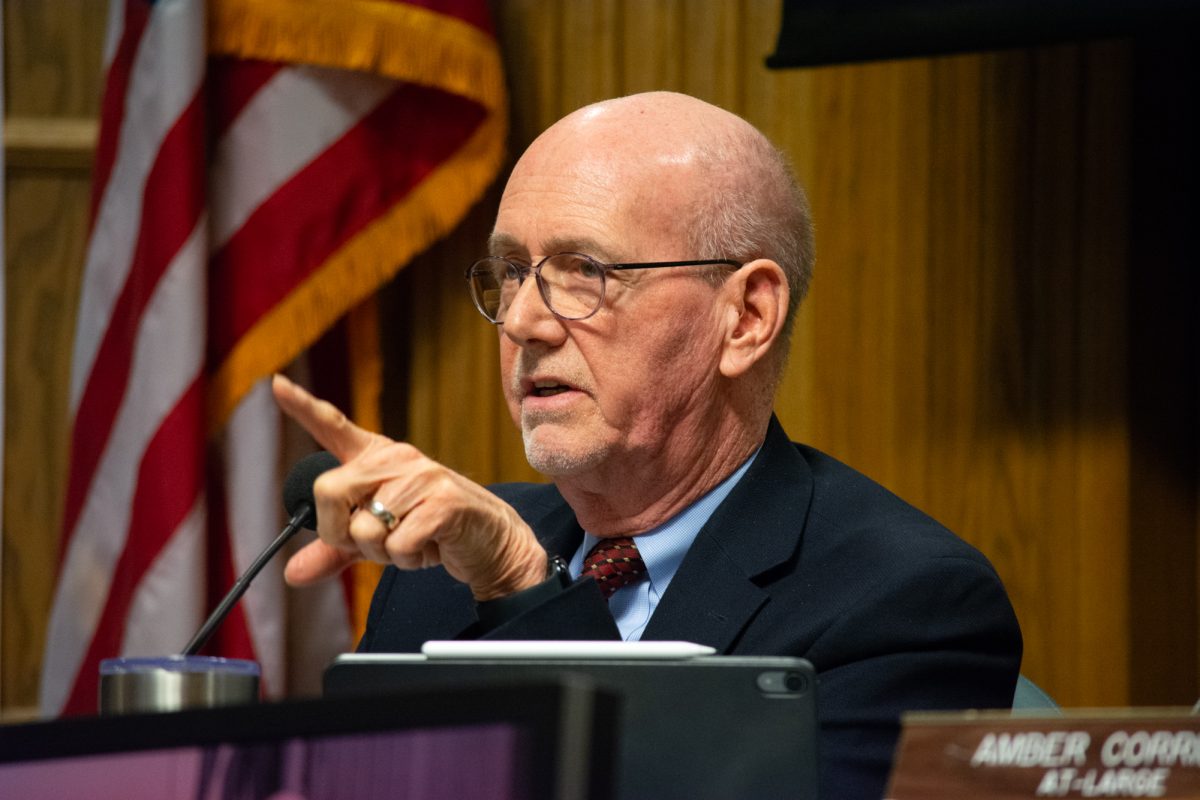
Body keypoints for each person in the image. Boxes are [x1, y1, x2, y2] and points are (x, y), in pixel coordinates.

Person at [271, 91, 1022, 799]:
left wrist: (522, 589)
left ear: (747, 318)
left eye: (584, 272)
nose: (524, 321)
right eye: (510, 273)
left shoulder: (901, 603)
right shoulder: (437, 575)